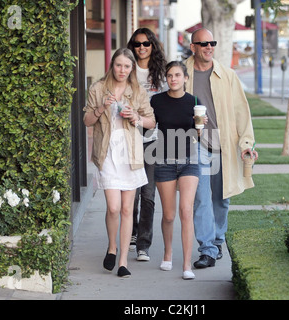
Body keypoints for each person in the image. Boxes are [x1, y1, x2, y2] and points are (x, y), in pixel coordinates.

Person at [184, 28, 258, 269]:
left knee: (222, 198)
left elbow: (241, 112)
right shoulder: (182, 73)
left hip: (224, 144)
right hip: (197, 144)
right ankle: (207, 249)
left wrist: (246, 144)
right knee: (202, 198)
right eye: (203, 43)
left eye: (211, 43)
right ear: (193, 47)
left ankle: (217, 239)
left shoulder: (227, 75)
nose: (208, 47)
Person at [83, 48, 156, 277]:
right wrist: (102, 106)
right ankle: (112, 247)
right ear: (112, 65)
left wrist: (136, 117)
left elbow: (151, 122)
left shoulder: (136, 91)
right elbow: (87, 120)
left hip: (131, 154)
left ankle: (123, 261)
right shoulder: (97, 88)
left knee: (127, 208)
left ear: (132, 68)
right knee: (113, 207)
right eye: (118, 65)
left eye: (127, 66)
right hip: (107, 153)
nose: (122, 70)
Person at [150, 61, 204, 280]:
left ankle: (186, 264)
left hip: (189, 160)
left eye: (178, 75)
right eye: (170, 75)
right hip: (164, 161)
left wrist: (200, 126)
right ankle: (167, 253)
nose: (173, 79)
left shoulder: (194, 102)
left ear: (185, 78)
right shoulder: (156, 101)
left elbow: (197, 135)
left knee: (186, 211)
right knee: (170, 215)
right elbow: (149, 126)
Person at [127, 28, 168, 261]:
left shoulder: (161, 73)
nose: (142, 47)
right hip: (129, 139)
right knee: (131, 193)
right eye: (137, 44)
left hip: (153, 139)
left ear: (153, 45)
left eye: (146, 43)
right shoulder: (126, 69)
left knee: (149, 194)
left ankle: (144, 244)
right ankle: (132, 232)